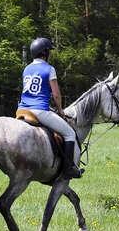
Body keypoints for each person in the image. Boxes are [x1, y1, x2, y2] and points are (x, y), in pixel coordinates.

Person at [17, 37, 84, 178]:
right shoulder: (49, 69)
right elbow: (56, 94)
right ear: (45, 52)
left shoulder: (27, 69)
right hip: (39, 110)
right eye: (49, 51)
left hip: (22, 110)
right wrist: (60, 110)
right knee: (70, 134)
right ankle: (69, 169)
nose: (50, 54)